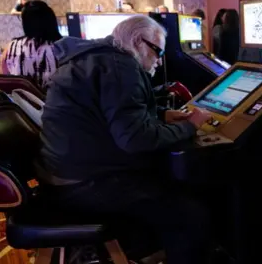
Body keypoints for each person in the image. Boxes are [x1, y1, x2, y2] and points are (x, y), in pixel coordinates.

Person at [38, 15, 213, 264]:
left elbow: (104, 113)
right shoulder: (121, 67)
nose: (160, 60)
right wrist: (191, 126)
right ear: (137, 42)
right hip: (84, 184)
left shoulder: (96, 58)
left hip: (64, 174)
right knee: (190, 213)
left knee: (168, 180)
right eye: (157, 51)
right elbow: (135, 139)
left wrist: (160, 114)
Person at [0, 0, 61, 89]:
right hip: (57, 101)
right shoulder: (63, 47)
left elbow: (6, 79)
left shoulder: (11, 47)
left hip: (22, 101)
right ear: (51, 20)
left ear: (25, 23)